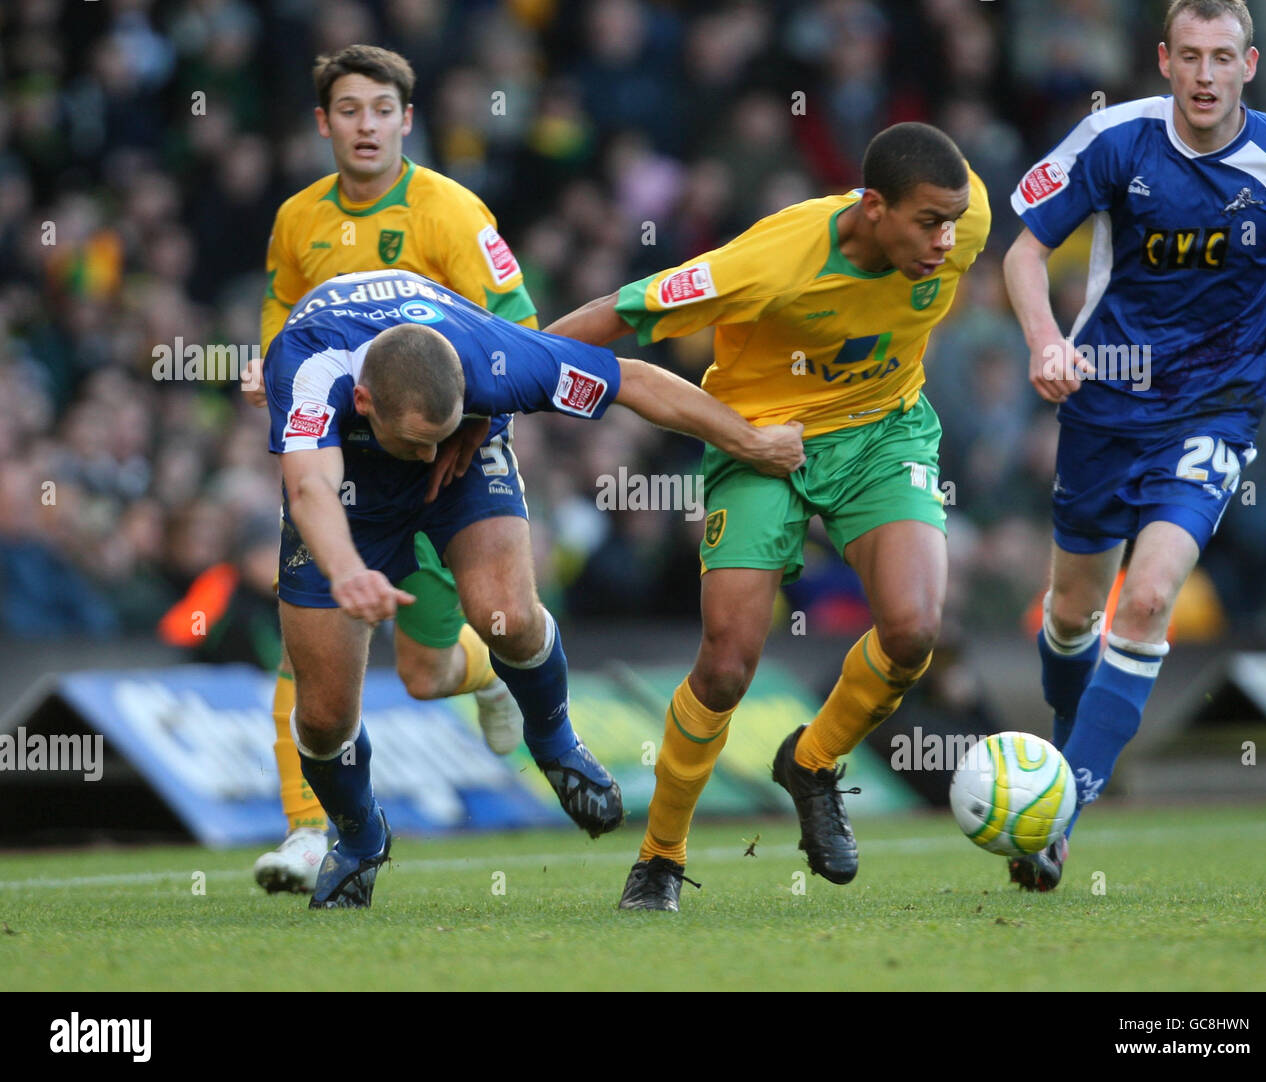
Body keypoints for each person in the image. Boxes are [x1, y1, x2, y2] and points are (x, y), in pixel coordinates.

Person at [549, 122, 990, 910]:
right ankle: (660, 859)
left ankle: (812, 763)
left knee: (916, 629)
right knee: (725, 664)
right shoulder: (767, 263)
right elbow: (621, 313)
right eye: (928, 224)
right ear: (873, 207)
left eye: (953, 222)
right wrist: (500, 371)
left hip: (884, 432)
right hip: (760, 443)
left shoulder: (964, 217)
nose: (946, 242)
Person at [265, 267, 806, 908]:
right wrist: (349, 570)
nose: (424, 455)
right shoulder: (307, 368)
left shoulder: (496, 360)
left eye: (440, 430)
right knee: (325, 718)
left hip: (465, 470)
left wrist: (750, 442)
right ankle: (359, 839)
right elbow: (309, 488)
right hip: (348, 498)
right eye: (415, 441)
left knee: (505, 615)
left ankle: (554, 742)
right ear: (362, 403)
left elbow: (632, 379)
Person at [1003, 0, 1266, 891]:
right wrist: (1044, 342)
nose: (1207, 75)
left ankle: (1059, 821)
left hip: (1216, 409)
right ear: (1165, 60)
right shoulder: (1112, 140)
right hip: (1103, 405)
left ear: (1249, 66)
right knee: (1070, 614)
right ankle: (1065, 756)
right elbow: (1023, 254)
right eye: (1192, 56)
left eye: (1225, 57)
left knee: (1150, 597)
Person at [244, 45, 541, 894]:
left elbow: (518, 329)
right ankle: (312, 831)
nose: (366, 125)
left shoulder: (451, 212)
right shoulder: (298, 219)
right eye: (349, 110)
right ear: (323, 123)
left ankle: (488, 676)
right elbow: (280, 305)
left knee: (423, 674)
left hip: (439, 468)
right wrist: (269, 367)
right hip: (338, 463)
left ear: (407, 120)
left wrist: (465, 427)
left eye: (381, 109)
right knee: (306, 652)